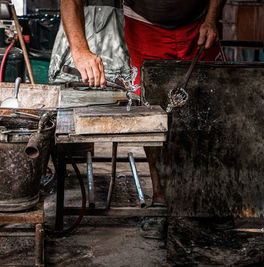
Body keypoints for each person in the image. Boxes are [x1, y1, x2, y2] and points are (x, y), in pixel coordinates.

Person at [61, 0, 225, 205]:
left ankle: (207, 195)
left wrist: (212, 18)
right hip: (145, 27)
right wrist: (80, 51)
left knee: (207, 107)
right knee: (152, 108)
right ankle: (160, 197)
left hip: (200, 22)